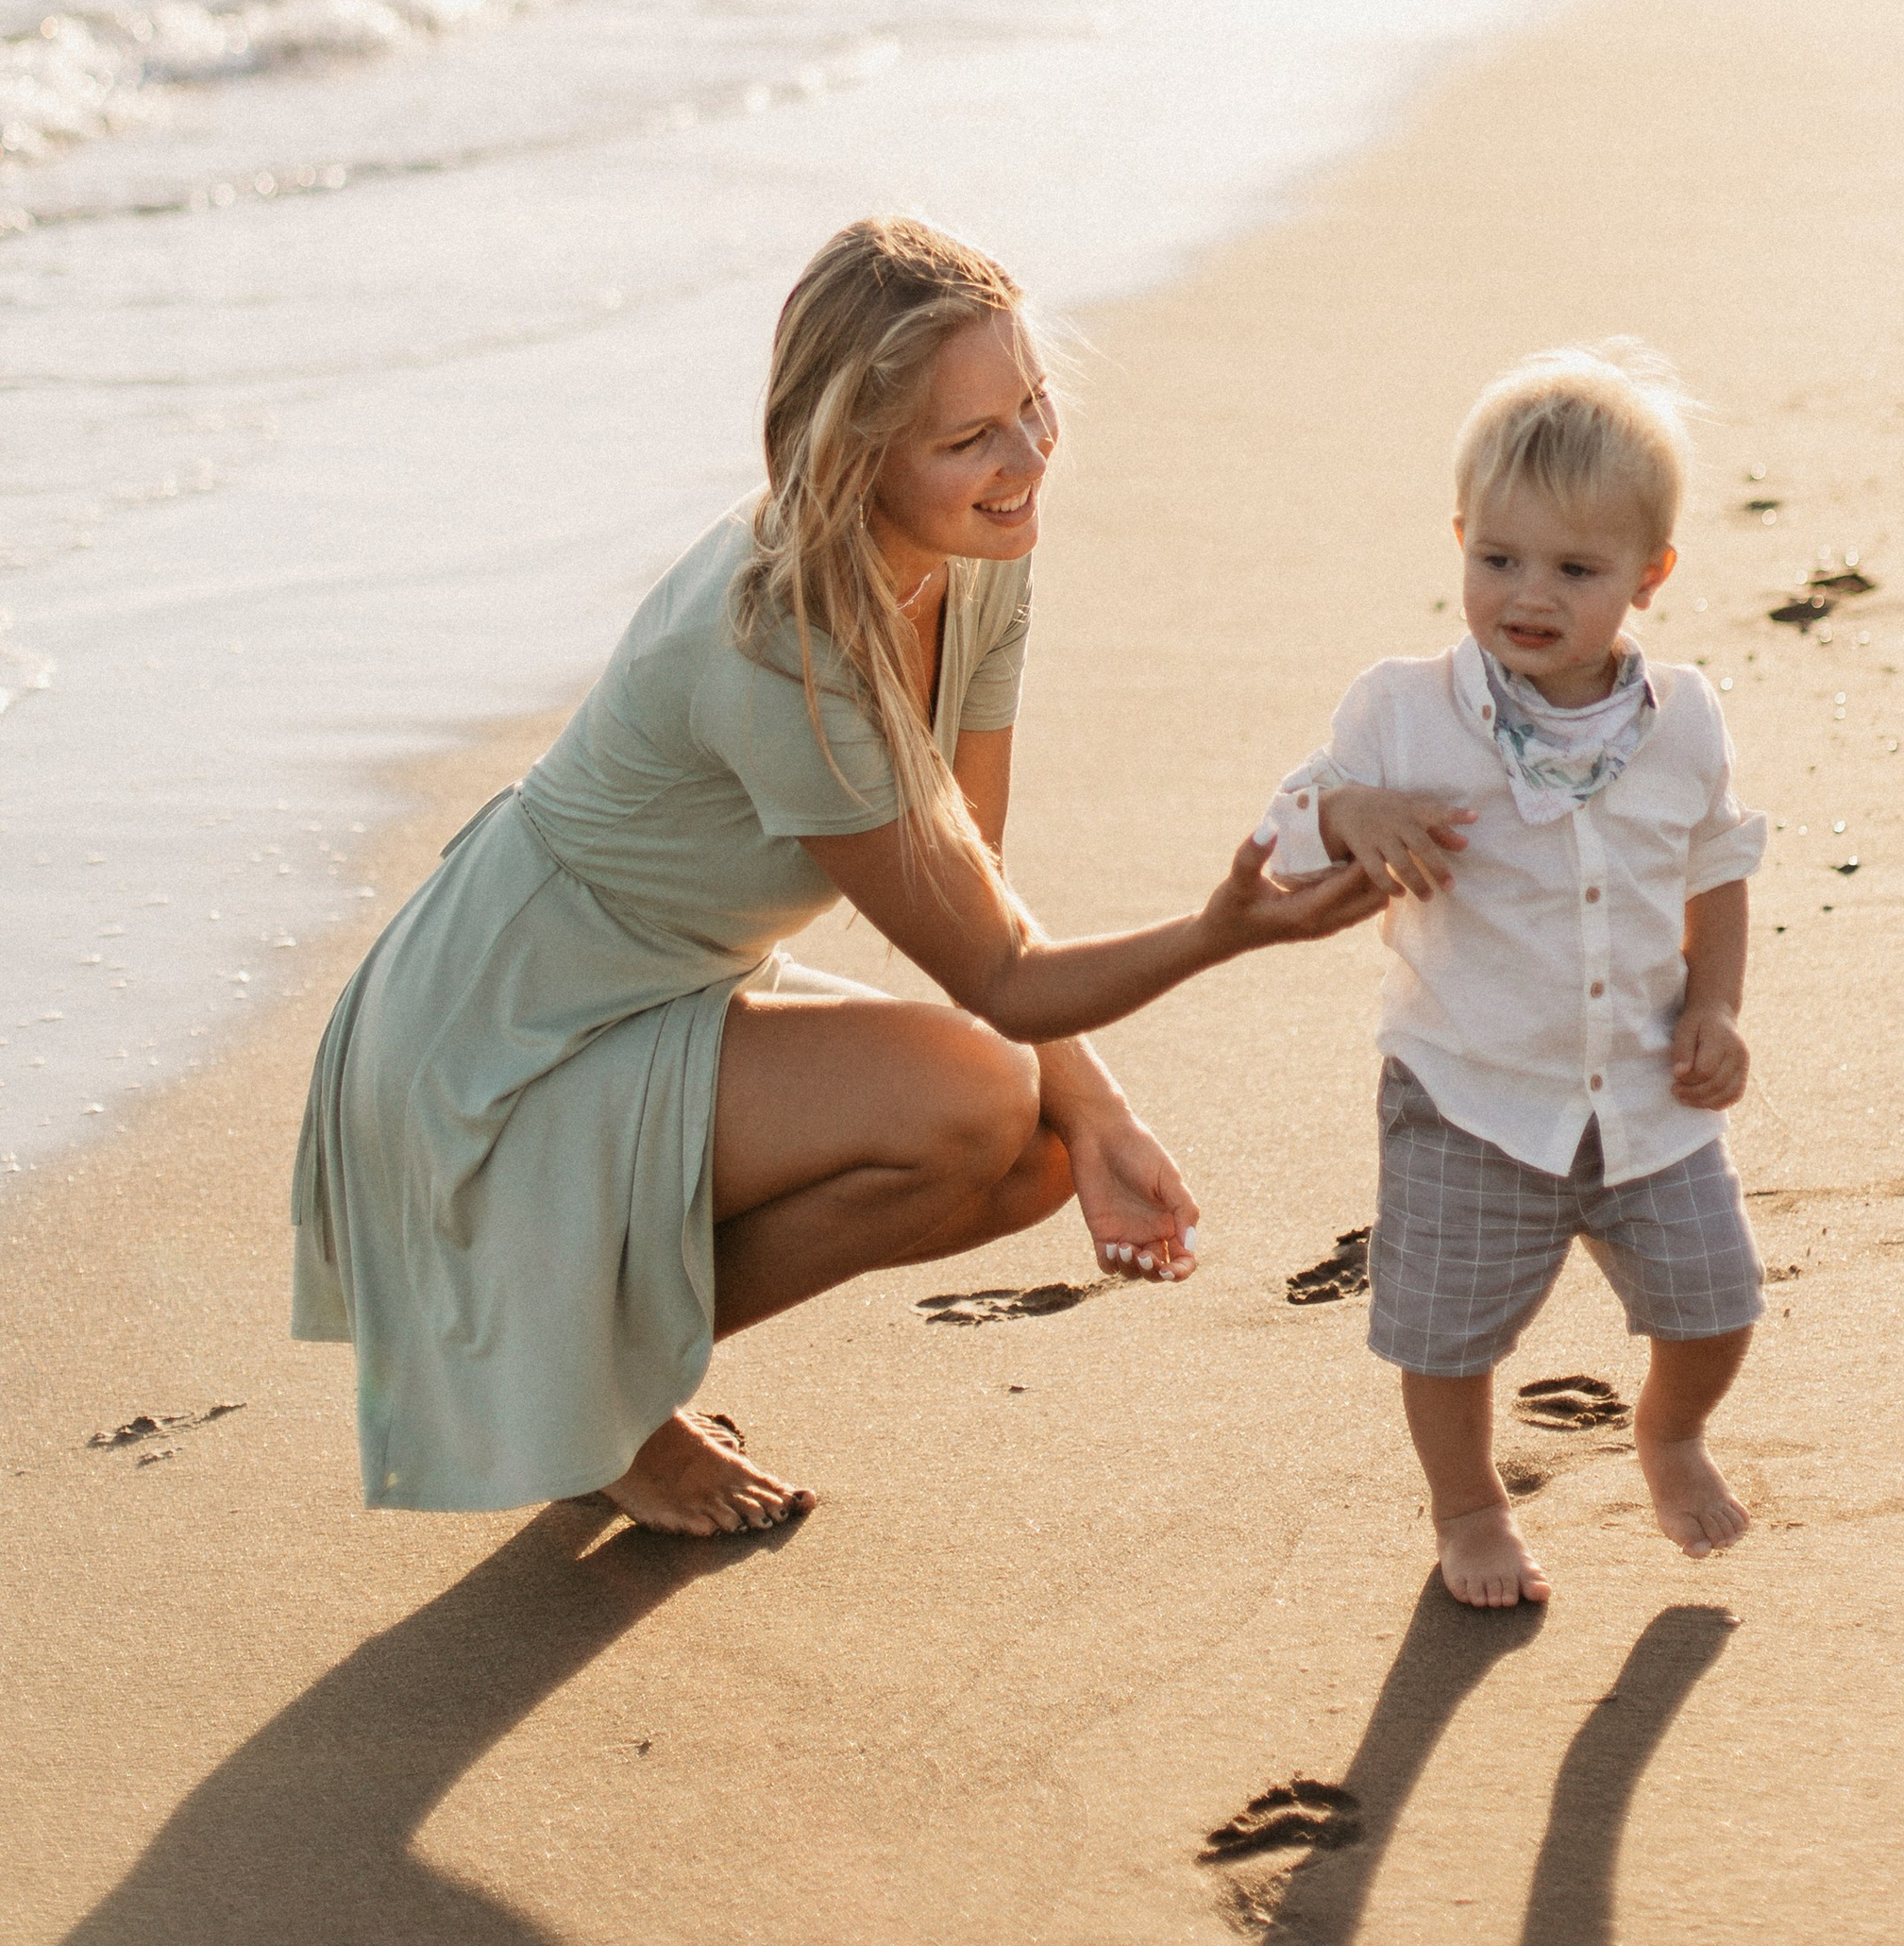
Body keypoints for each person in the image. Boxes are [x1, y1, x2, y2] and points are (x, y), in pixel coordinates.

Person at [293, 215, 1373, 1536]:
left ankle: (582, 1369)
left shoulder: (976, 555)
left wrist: (1103, 1117)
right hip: (498, 1043)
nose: (1029, 457)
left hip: (662, 991)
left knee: (1039, 1146)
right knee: (981, 1091)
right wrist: (1226, 930)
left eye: (1032, 405)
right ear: (860, 456)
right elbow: (998, 976)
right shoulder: (779, 643)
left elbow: (975, 882)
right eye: (970, 438)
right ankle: (600, 1400)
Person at [1255, 345, 1766, 1607]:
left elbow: (1716, 868)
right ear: (1460, 543)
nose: (1529, 596)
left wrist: (1715, 1004)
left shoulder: (1684, 719)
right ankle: (1470, 1507)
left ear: (1650, 576)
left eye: (1576, 571)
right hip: (1467, 1095)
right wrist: (1354, 811)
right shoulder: (1403, 709)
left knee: (1717, 1300)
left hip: (1646, 1091)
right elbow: (1281, 840)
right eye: (1498, 559)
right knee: (1445, 1335)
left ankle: (1670, 1432)